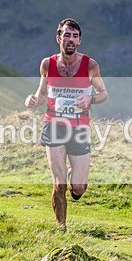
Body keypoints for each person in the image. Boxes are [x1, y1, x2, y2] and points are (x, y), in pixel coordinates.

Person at [24, 18, 107, 231]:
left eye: (75, 36)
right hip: (54, 126)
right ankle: (61, 228)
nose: (71, 40)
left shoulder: (90, 65)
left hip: (79, 129)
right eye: (67, 35)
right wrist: (32, 101)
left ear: (79, 41)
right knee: (58, 184)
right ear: (58, 38)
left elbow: (103, 93)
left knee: (78, 188)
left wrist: (91, 100)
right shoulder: (47, 64)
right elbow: (42, 94)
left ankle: (72, 173)